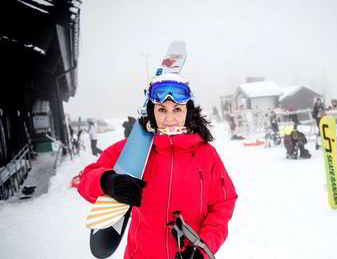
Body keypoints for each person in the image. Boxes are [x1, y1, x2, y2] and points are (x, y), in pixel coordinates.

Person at [77, 73, 238, 259]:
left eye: (177, 110)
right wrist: (107, 182)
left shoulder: (206, 154)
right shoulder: (135, 148)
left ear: (189, 111)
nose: (169, 119)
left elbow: (223, 203)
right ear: (152, 111)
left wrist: (204, 246)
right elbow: (86, 178)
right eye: (162, 110)